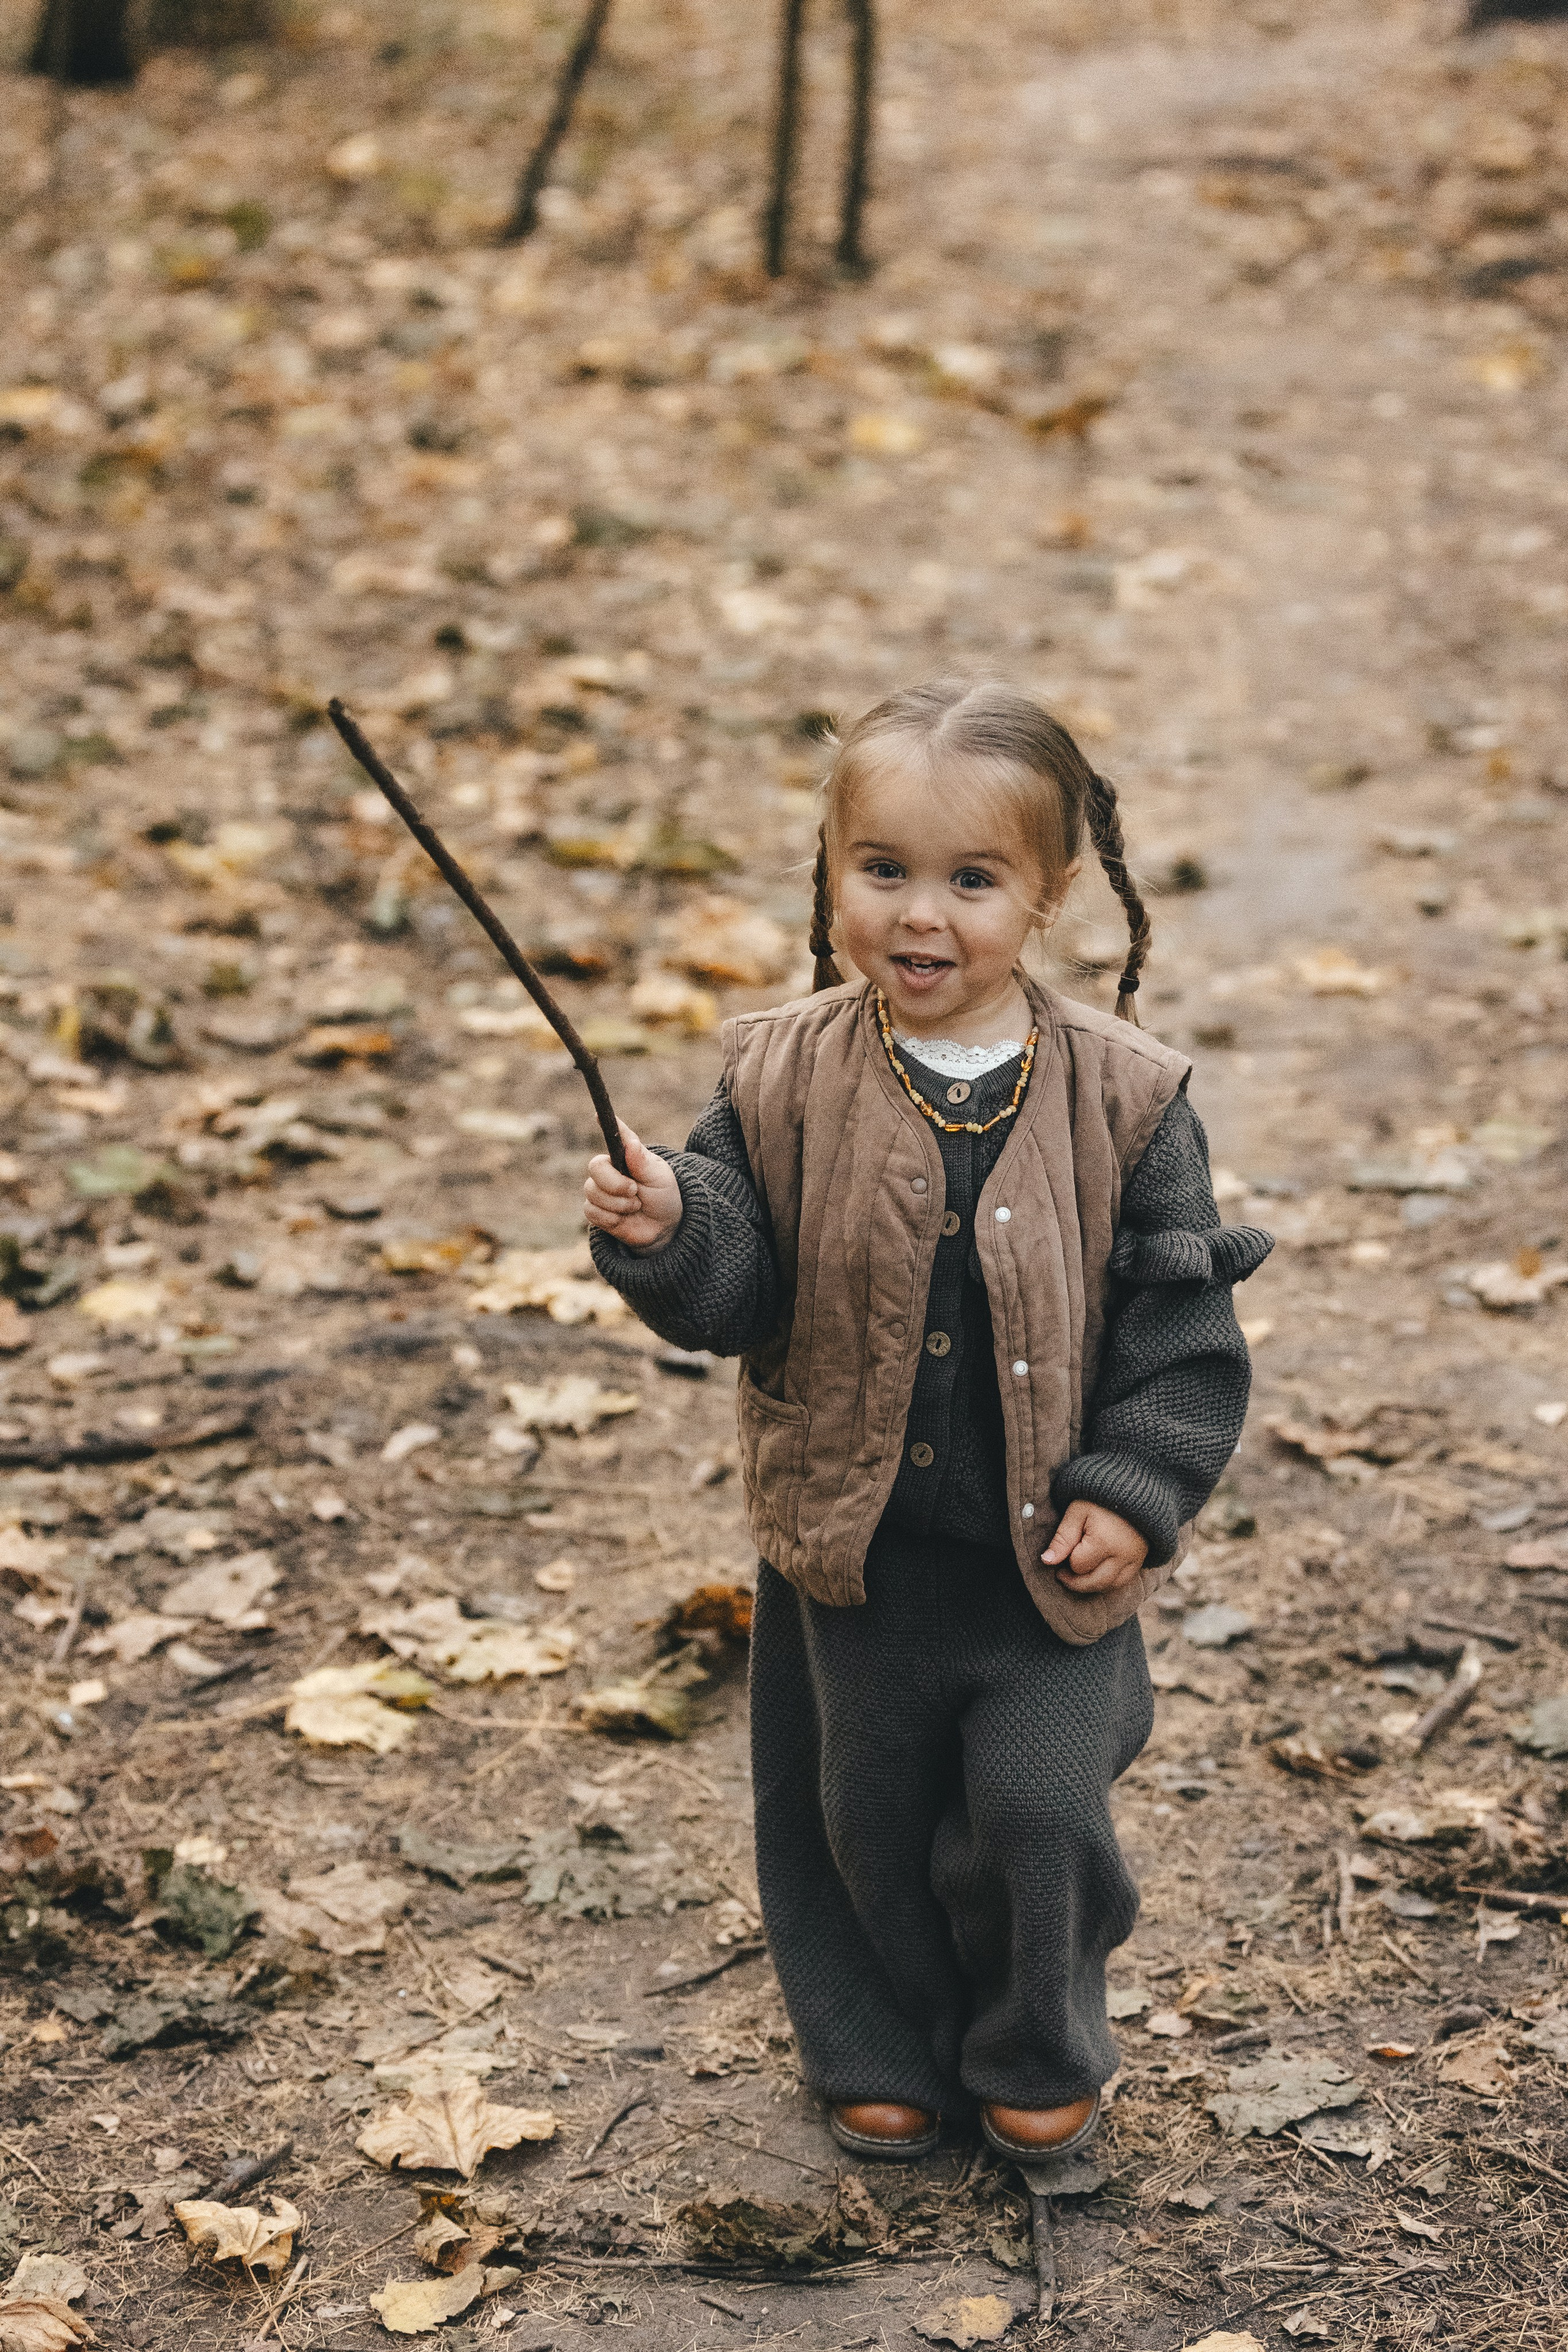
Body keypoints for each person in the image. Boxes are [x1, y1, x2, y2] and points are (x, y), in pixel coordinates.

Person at [582, 679, 1272, 2164]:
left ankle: (1031, 2040)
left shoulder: (1128, 1100)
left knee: (1033, 1812)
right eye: (881, 869)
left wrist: (1134, 1484)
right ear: (827, 872)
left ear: (1049, 895)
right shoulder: (775, 1077)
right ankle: (876, 2044)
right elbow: (736, 1285)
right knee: (856, 1820)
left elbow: (1180, 1329)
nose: (920, 916)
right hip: (855, 1553)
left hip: (1043, 1556)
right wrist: (665, 1230)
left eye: (972, 880)